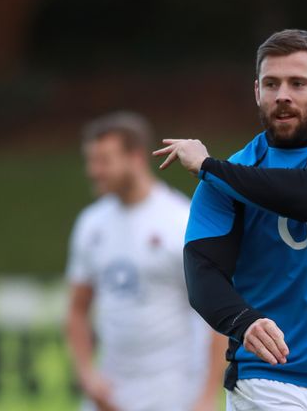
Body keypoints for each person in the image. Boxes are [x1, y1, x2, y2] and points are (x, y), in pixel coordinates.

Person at [153, 29, 307, 410]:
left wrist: (207, 166)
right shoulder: (227, 176)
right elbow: (202, 272)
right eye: (272, 83)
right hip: (264, 378)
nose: (282, 94)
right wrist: (243, 321)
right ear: (257, 92)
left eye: (298, 83)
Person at [64, 111, 228, 411]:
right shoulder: (91, 224)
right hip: (108, 395)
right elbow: (77, 309)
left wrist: (207, 397)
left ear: (136, 157)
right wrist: (88, 375)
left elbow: (217, 317)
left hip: (172, 393)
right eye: (91, 160)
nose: (93, 171)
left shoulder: (181, 221)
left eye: (103, 161)